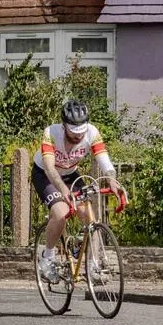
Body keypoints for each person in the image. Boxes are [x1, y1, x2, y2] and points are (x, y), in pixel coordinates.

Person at [33, 99, 120, 284]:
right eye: (73, 134)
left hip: (71, 174)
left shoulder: (92, 132)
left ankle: (93, 267)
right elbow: (49, 168)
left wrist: (111, 178)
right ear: (64, 126)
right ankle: (47, 259)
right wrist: (63, 190)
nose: (78, 138)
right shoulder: (51, 133)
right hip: (46, 175)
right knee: (61, 212)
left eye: (80, 134)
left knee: (91, 219)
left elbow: (103, 158)